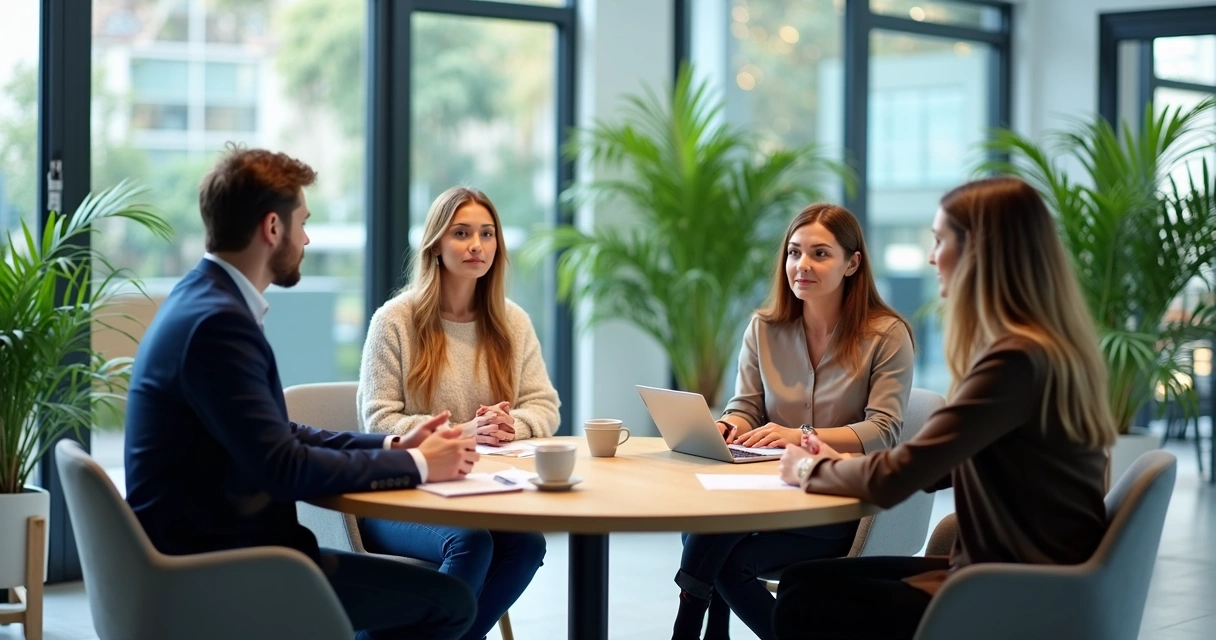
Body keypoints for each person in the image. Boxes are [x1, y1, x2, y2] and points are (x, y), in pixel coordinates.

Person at [124, 145, 479, 640]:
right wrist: (420, 466)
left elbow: (278, 435)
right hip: (226, 570)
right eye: (303, 222)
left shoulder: (201, 299)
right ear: (273, 228)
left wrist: (393, 445)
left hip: (212, 553)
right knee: (450, 603)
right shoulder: (218, 324)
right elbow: (285, 467)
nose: (307, 238)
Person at [772, 176, 1116, 640]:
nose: (932, 257)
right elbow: (952, 462)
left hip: (1009, 591)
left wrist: (809, 470)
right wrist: (849, 461)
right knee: (801, 582)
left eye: (938, 241)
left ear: (979, 251)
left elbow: (902, 477)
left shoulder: (1015, 361)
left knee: (804, 599)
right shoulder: (1045, 348)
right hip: (1025, 574)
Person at [671, 204, 915, 640]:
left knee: (720, 552)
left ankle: (689, 623)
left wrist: (800, 436)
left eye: (820, 254)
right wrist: (729, 425)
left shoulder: (887, 335)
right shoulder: (764, 329)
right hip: (766, 497)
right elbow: (744, 405)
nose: (802, 265)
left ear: (852, 263)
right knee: (705, 526)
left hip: (837, 504)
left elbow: (884, 430)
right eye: (793, 252)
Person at [357, 186, 556, 640]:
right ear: (436, 245)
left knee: (525, 546)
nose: (476, 245)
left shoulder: (512, 321)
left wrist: (511, 425)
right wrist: (466, 431)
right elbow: (379, 422)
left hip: (476, 493)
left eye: (487, 234)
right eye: (461, 233)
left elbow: (543, 405)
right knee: (469, 542)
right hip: (398, 494)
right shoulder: (395, 321)